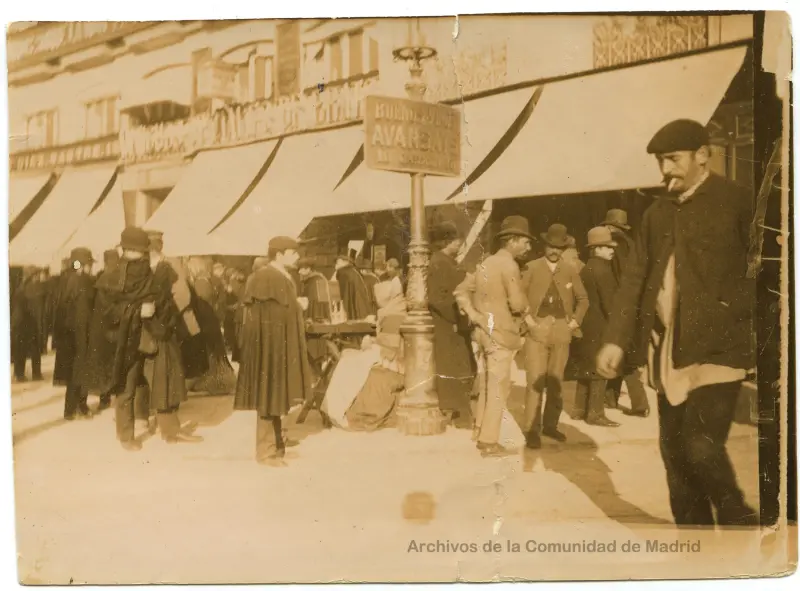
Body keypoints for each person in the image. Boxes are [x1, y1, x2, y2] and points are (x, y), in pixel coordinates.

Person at [597, 119, 757, 526]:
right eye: (660, 162)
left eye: (673, 159)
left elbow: (768, 273)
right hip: (668, 351)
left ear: (703, 155)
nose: (666, 170)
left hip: (718, 351)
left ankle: (740, 520)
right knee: (675, 457)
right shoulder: (657, 213)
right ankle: (696, 544)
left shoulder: (739, 202)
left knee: (701, 446)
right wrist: (615, 339)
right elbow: (634, 280)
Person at [454, 215, 532, 458]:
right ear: (512, 241)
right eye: (525, 242)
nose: (528, 247)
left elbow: (460, 292)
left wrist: (475, 315)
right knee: (499, 387)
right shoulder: (509, 266)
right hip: (501, 334)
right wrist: (527, 310)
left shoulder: (484, 263)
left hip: (482, 333)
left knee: (487, 383)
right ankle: (488, 442)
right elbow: (518, 303)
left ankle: (480, 430)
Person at [234, 236, 313, 467]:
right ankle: (265, 451)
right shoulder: (266, 277)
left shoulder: (279, 276)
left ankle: (277, 446)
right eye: (293, 252)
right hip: (269, 349)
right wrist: (298, 306)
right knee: (268, 396)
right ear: (279, 254)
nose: (298, 256)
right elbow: (269, 316)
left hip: (277, 346)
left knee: (276, 394)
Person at [82, 227, 160, 451]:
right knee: (126, 387)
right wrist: (138, 311)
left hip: (145, 336)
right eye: (139, 252)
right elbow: (107, 312)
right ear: (128, 250)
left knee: (140, 382)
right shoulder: (111, 277)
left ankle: (142, 418)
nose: (142, 258)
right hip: (120, 340)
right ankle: (126, 435)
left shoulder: (147, 273)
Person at [520, 223, 589, 448]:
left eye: (559, 247)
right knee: (534, 380)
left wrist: (574, 322)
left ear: (564, 248)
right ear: (545, 245)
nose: (554, 251)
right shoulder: (531, 267)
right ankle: (532, 429)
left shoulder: (570, 269)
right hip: (537, 328)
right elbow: (519, 298)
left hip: (561, 329)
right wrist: (528, 322)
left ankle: (550, 425)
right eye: (551, 246)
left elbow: (583, 299)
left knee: (556, 381)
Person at [601, 208, 650, 417]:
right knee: (622, 351)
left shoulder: (614, 244)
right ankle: (610, 398)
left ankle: (640, 404)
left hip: (620, 303)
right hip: (635, 302)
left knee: (623, 353)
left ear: (611, 227)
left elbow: (617, 276)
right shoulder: (630, 243)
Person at [428, 222, 476, 427]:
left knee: (461, 366)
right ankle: (454, 411)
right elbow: (437, 298)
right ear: (447, 241)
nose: (460, 244)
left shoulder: (446, 261)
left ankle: (459, 410)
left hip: (454, 322)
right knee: (451, 366)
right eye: (457, 240)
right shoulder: (439, 263)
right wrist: (457, 317)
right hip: (448, 324)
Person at [571, 227, 619, 427]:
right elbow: (610, 302)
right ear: (597, 249)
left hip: (586, 326)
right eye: (607, 247)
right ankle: (595, 413)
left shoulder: (585, 268)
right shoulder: (603, 270)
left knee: (586, 368)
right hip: (601, 326)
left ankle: (578, 409)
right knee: (599, 369)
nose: (612, 251)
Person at [53, 248, 97, 420]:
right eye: (89, 264)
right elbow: (84, 311)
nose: (90, 268)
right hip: (80, 333)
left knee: (73, 372)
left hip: (68, 334)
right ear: (82, 265)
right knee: (79, 371)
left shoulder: (65, 279)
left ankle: (71, 409)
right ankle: (79, 407)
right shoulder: (81, 281)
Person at [185, 257, 237, 395]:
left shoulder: (200, 283)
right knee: (214, 354)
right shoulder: (207, 280)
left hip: (205, 322)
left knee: (211, 355)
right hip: (210, 320)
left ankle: (217, 383)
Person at [297, 257, 333, 373]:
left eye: (302, 269)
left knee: (314, 344)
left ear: (309, 269)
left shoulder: (314, 281)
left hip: (315, 316)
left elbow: (315, 303)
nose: (299, 272)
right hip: (320, 315)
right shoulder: (317, 279)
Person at [11, 266, 47, 383]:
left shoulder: (20, 289)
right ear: (33, 276)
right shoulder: (34, 288)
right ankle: (36, 373)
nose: (38, 277)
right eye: (37, 275)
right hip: (29, 323)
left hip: (20, 323)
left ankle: (19, 373)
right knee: (34, 349)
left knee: (21, 349)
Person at [334, 253, 374, 321]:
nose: (336, 265)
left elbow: (340, 292)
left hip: (350, 304)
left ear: (345, 262)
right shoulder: (353, 271)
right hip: (360, 305)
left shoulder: (343, 272)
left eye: (338, 263)